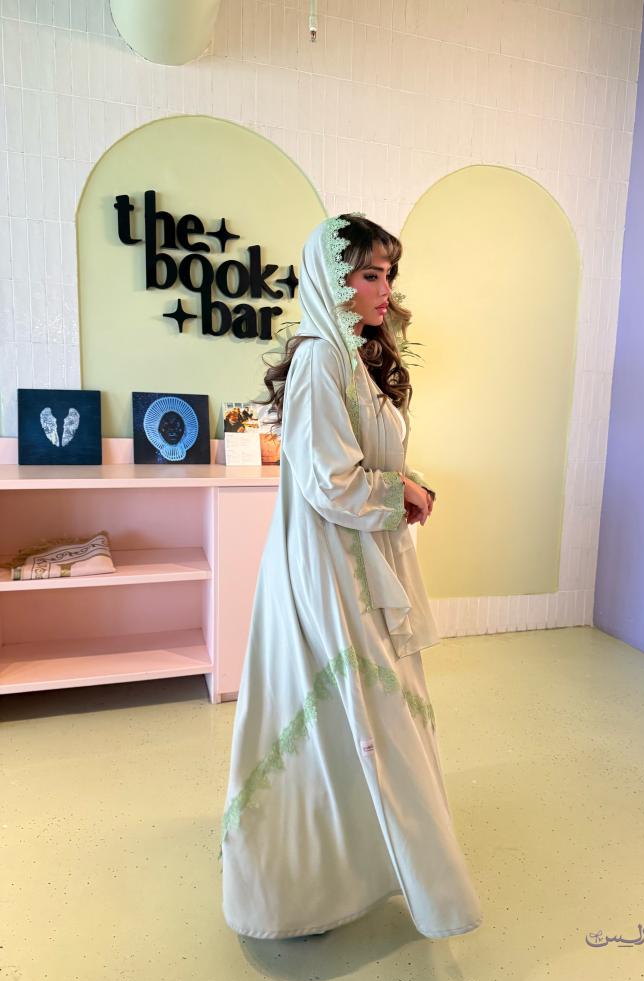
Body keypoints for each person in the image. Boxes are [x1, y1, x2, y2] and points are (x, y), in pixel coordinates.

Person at [219, 213, 482, 940]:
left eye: (388, 274)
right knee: (353, 711)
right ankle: (301, 890)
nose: (383, 289)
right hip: (332, 565)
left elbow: (362, 458)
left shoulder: (353, 358)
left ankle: (358, 868)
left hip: (360, 558)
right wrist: (401, 494)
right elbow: (329, 483)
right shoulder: (318, 360)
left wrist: (406, 483)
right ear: (332, 280)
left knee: (359, 714)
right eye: (370, 274)